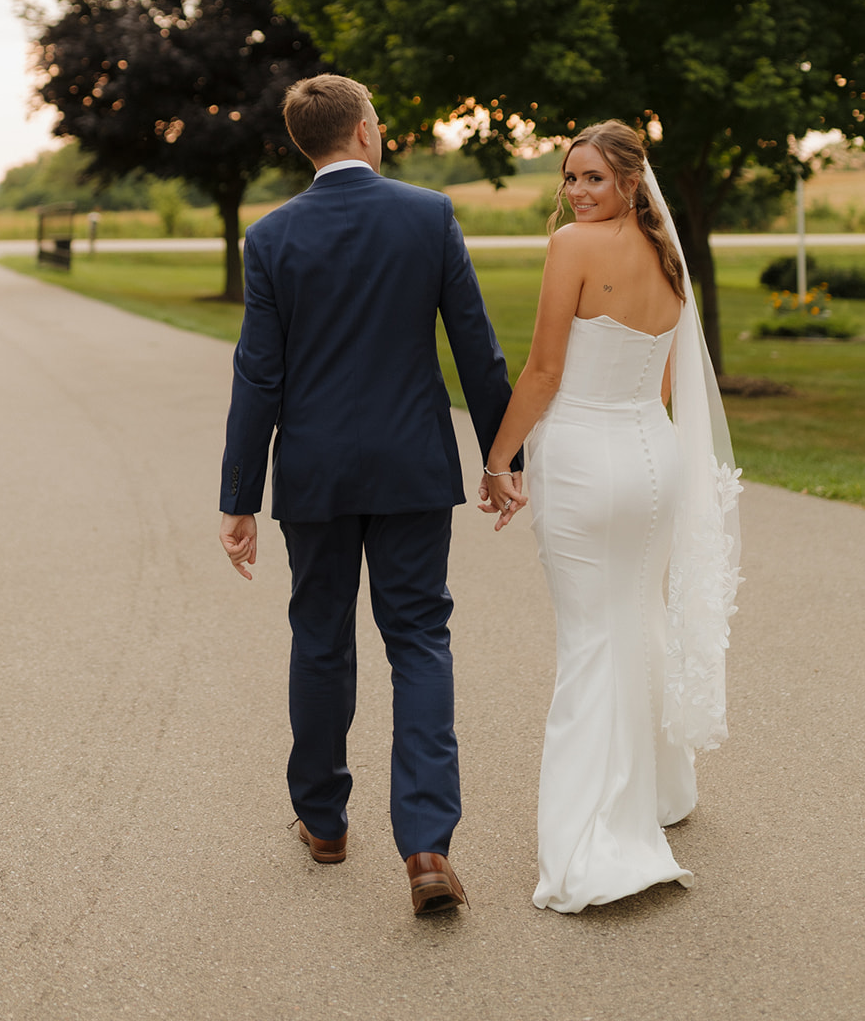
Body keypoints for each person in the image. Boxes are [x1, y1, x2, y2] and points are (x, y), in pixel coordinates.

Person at [218, 74, 519, 915]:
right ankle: (426, 845)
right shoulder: (427, 214)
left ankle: (323, 822)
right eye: (378, 121)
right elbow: (477, 349)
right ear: (359, 132)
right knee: (419, 638)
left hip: (313, 473)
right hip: (412, 465)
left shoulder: (271, 236)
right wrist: (504, 457)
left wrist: (238, 496)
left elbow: (258, 376)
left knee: (319, 638)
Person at [478, 121, 742, 914]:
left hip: (587, 462)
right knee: (635, 618)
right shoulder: (666, 255)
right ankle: (662, 789)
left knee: (592, 640)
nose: (577, 192)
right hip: (650, 459)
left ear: (630, 180)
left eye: (592, 177)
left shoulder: (571, 248)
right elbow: (661, 385)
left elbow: (544, 369)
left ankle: (596, 840)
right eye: (569, 178)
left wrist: (499, 461)